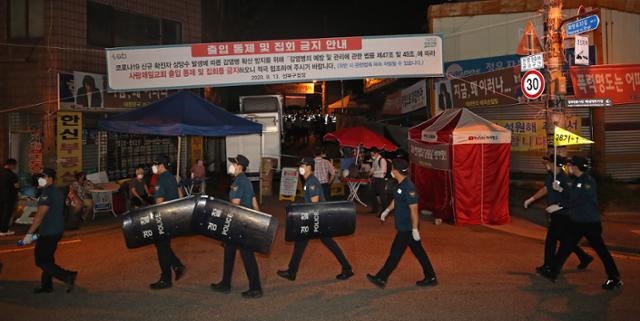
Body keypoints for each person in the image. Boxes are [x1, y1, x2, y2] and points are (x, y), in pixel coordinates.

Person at [541, 156, 622, 290]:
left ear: (576, 167)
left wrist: (560, 206)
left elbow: (580, 200)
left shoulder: (588, 181)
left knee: (601, 251)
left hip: (590, 223)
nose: (568, 168)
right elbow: (572, 197)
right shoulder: (576, 181)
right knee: (565, 247)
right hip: (577, 222)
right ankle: (552, 271)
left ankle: (614, 278)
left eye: (570, 165)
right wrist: (560, 189)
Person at [277, 157, 353, 281]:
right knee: (301, 244)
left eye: (303, 165)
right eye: (300, 165)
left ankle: (347, 268)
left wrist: (306, 218)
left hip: (317, 218)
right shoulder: (308, 180)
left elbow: (314, 203)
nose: (300, 168)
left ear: (309, 167)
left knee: (328, 243)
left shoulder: (311, 182)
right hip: (316, 217)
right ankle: (292, 271)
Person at [367, 158, 437, 289]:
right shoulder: (400, 184)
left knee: (395, 253)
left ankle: (381, 277)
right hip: (404, 226)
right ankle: (431, 276)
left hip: (408, 228)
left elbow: (414, 210)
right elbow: (397, 200)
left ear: (396, 171)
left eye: (392, 168)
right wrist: (387, 210)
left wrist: (415, 229)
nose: (391, 171)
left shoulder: (409, 187)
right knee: (419, 252)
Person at [524, 154, 593, 274]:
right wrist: (532, 199)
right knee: (564, 238)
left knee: (551, 239)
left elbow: (573, 197)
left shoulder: (565, 179)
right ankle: (584, 257)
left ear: (554, 164)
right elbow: (545, 189)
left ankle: (548, 265)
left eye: (548, 163)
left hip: (563, 213)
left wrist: (561, 189)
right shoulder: (551, 176)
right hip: (553, 212)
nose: (546, 165)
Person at [210, 155, 263, 299]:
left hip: (239, 224)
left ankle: (255, 288)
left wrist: (227, 223)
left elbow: (235, 205)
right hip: (245, 222)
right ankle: (225, 283)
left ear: (240, 166)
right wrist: (258, 220)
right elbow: (254, 201)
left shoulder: (238, 182)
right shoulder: (246, 180)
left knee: (247, 255)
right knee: (229, 252)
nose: (231, 165)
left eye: (233, 163)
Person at [21, 168, 77, 293]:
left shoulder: (46, 194)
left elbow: (40, 215)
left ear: (50, 179)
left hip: (48, 231)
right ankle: (46, 285)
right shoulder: (56, 191)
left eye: (43, 177)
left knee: (40, 260)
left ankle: (67, 275)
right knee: (48, 259)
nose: (39, 180)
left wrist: (29, 234)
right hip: (56, 229)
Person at [149, 156, 186, 290]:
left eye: (155, 164)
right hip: (173, 216)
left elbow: (159, 202)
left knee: (162, 248)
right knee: (161, 244)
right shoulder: (172, 177)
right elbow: (181, 196)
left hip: (163, 217)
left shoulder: (161, 179)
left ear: (161, 165)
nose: (154, 167)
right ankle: (177, 265)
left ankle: (166, 279)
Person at [0, 159, 19, 236]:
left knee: (1, 212)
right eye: (14, 165)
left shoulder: (0, 171)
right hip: (9, 197)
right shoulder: (11, 174)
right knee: (7, 213)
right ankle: (3, 230)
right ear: (11, 165)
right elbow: (16, 185)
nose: (14, 167)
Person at [368, 147, 388, 213]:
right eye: (371, 154)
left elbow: (383, 171)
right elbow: (373, 167)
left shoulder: (382, 160)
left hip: (380, 180)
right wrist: (370, 172)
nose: (372, 156)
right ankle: (375, 209)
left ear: (376, 153)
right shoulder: (375, 160)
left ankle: (385, 210)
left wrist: (373, 172)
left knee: (382, 196)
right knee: (372, 194)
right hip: (375, 179)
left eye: (372, 154)